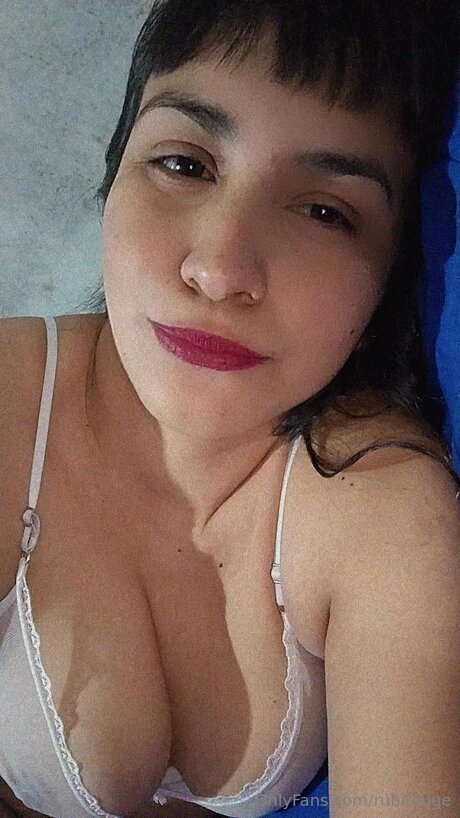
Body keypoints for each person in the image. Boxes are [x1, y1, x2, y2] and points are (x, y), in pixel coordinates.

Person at [0, 2, 459, 817]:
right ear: (115, 171)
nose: (220, 269)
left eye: (324, 212)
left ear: (387, 281)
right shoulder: (11, 405)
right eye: (185, 164)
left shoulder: (383, 508)